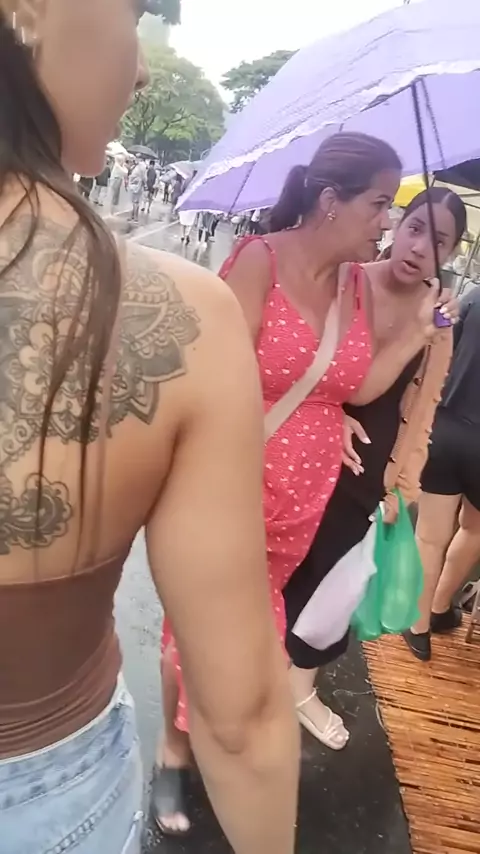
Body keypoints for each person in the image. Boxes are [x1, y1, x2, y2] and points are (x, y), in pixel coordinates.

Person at [0, 4, 300, 854]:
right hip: (50, 799)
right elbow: (240, 715)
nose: (139, 70)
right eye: (132, 9)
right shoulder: (185, 315)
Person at [153, 131, 441, 833]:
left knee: (254, 638)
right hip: (232, 484)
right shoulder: (260, 261)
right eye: (380, 204)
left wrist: (410, 339)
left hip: (303, 499)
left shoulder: (354, 286)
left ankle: (220, 746)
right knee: (197, 629)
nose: (385, 221)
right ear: (330, 199)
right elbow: (210, 376)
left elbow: (355, 385)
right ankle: (175, 753)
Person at [283, 187, 465, 744]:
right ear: (396, 225)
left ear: (452, 253)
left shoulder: (439, 319)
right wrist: (329, 411)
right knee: (281, 566)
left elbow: (426, 408)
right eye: (415, 228)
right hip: (309, 449)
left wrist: (402, 489)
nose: (420, 247)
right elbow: (302, 359)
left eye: (439, 241)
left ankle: (300, 686)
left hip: (371, 471)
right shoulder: (348, 281)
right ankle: (254, 669)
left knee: (334, 583)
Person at [403, 273, 480, 661]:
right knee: (474, 529)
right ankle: (440, 607)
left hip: (447, 429)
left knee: (430, 537)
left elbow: (439, 351)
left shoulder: (474, 297)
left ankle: (418, 629)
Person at [128, 158, 146, 222]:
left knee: (134, 202)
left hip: (134, 187)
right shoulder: (143, 173)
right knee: (137, 202)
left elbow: (131, 177)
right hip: (139, 187)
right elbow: (144, 180)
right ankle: (134, 216)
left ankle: (134, 216)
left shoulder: (136, 170)